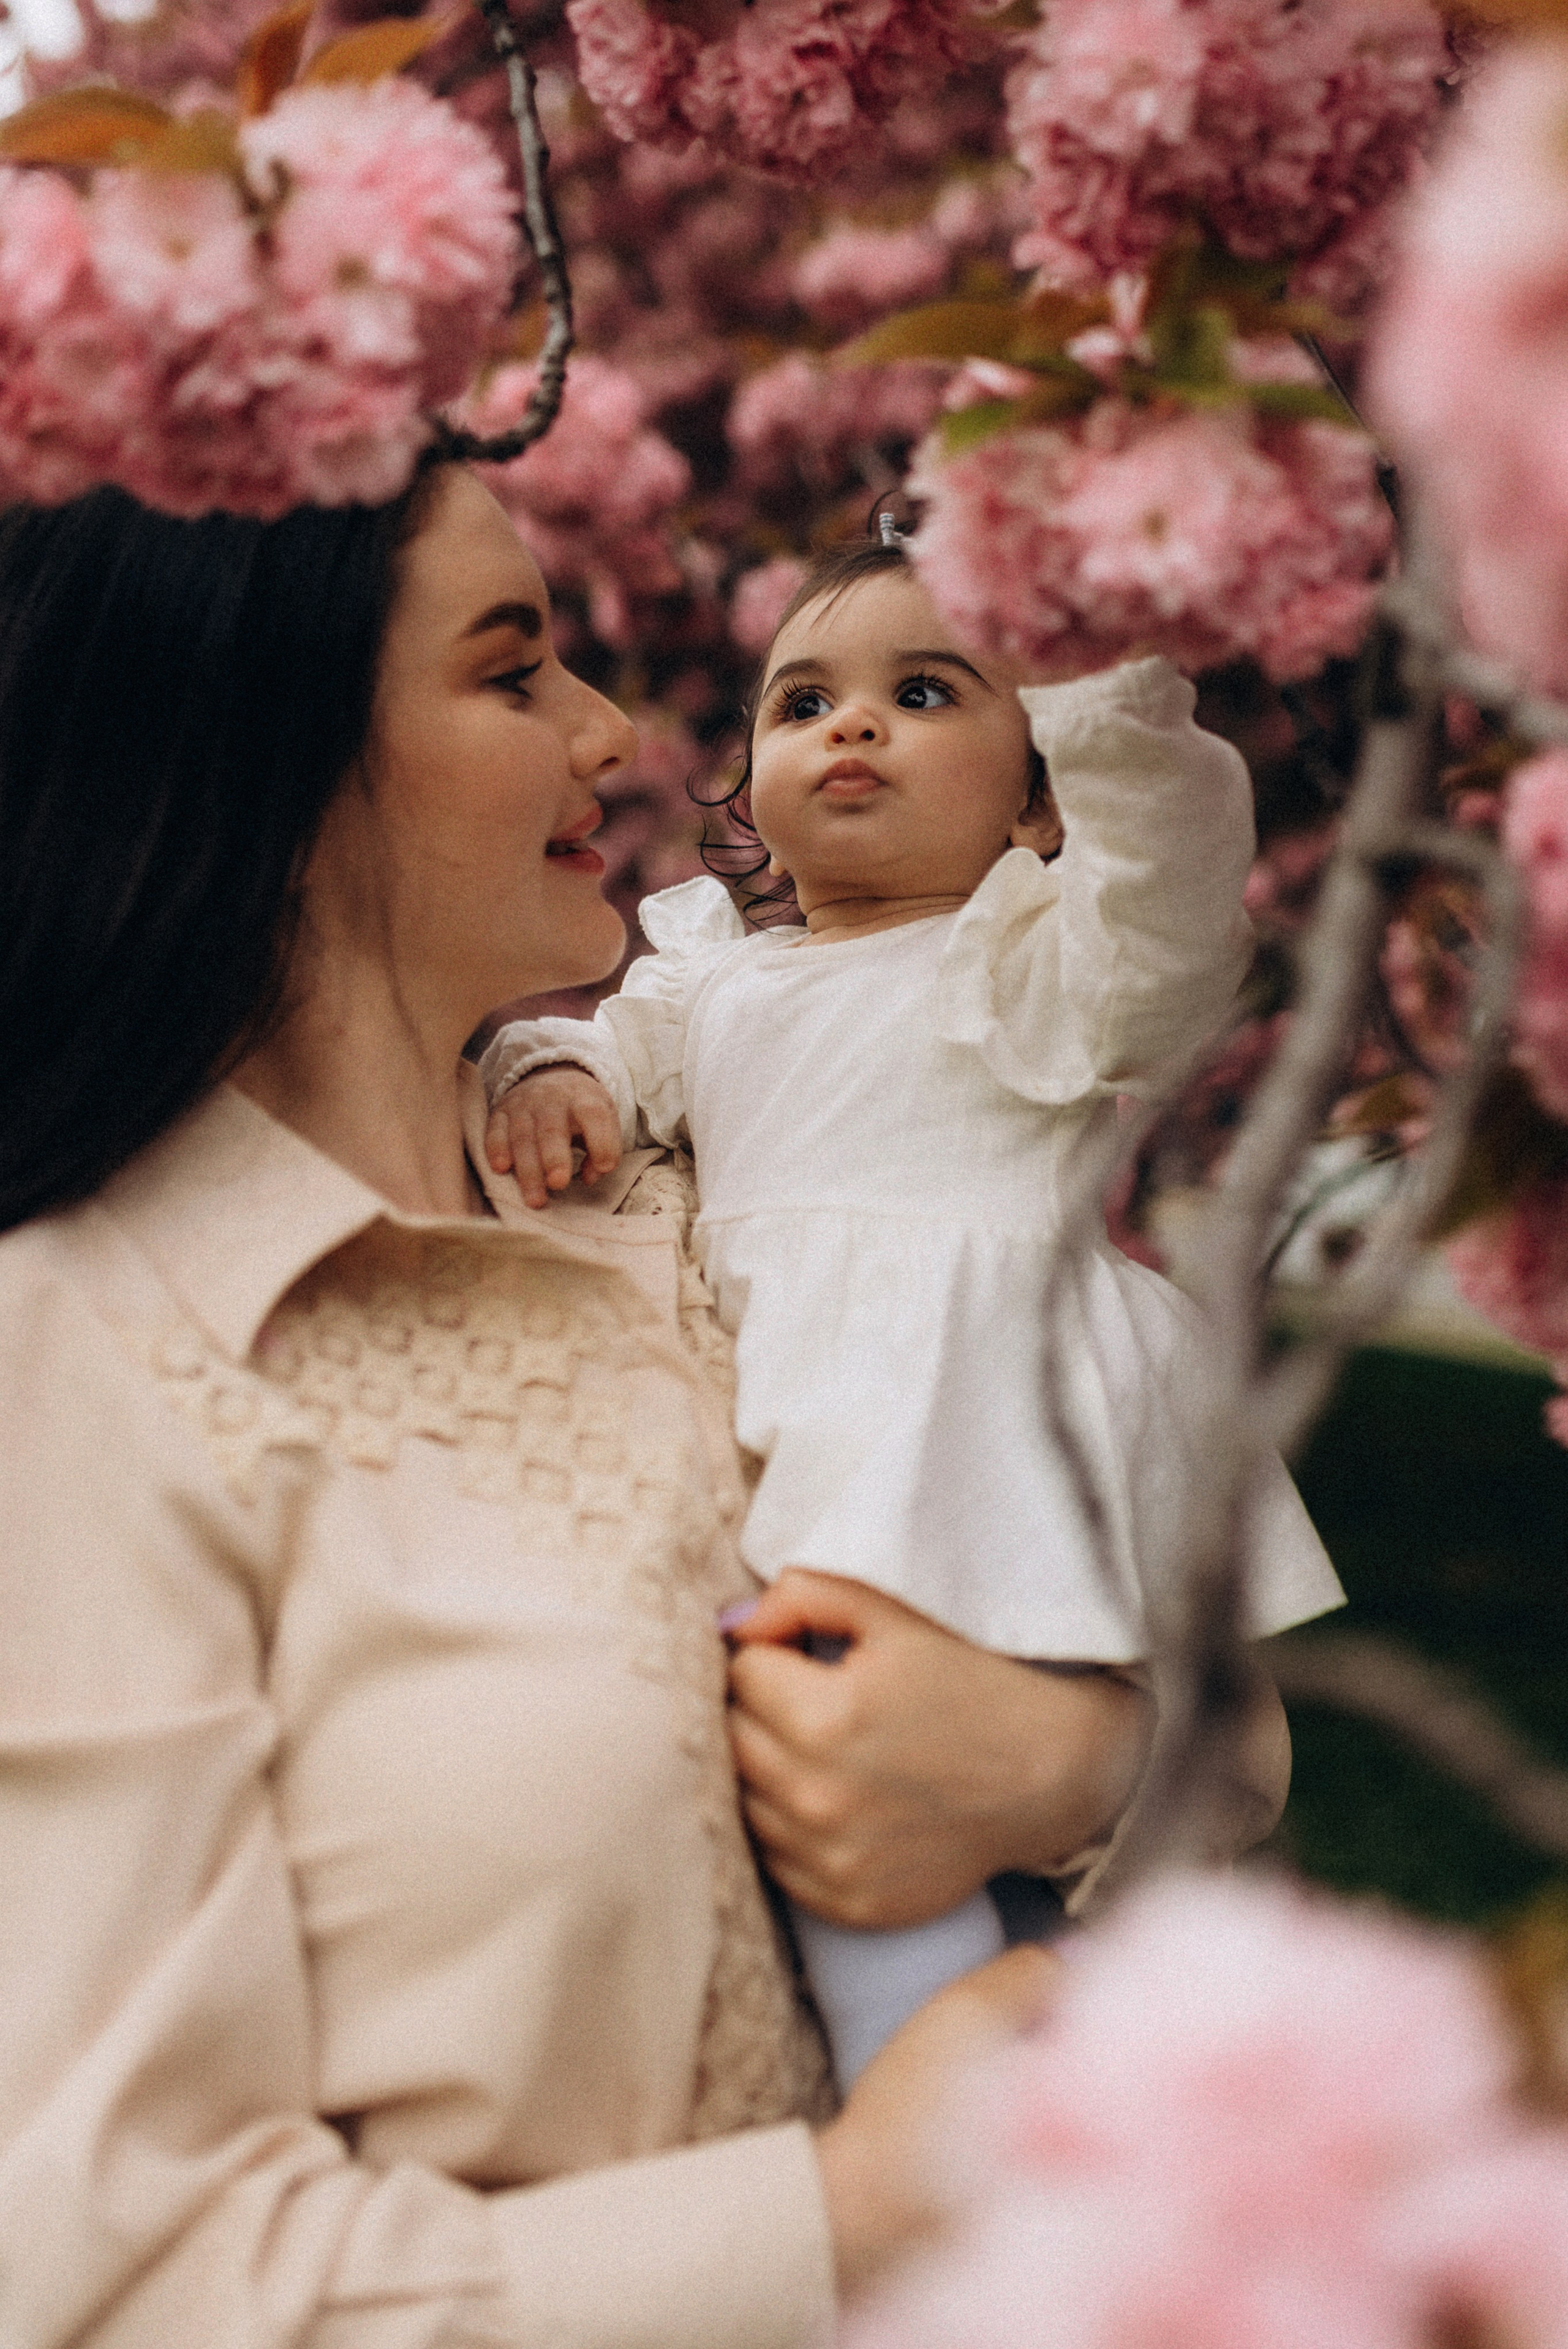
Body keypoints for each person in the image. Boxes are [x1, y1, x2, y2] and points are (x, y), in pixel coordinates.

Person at [0, 462, 1226, 2349]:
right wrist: (849, 2214)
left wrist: (1072, 1764)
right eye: (514, 674)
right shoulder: (87, 1356)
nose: (612, 728)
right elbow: (112, 2284)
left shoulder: (697, 1216)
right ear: (262, 748)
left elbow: (1239, 1750)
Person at [483, 538, 1346, 2089]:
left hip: (977, 1415)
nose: (851, 726)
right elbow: (608, 1059)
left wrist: (1097, 683)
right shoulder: (716, 978)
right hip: (805, 1412)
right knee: (841, 1784)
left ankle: (1077, 2096)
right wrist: (553, 1079)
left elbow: (1168, 889)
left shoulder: (1033, 966)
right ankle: (944, 2096)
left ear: (1032, 797)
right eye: (802, 699)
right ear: (750, 776)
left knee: (1004, 1776)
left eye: (926, 690)